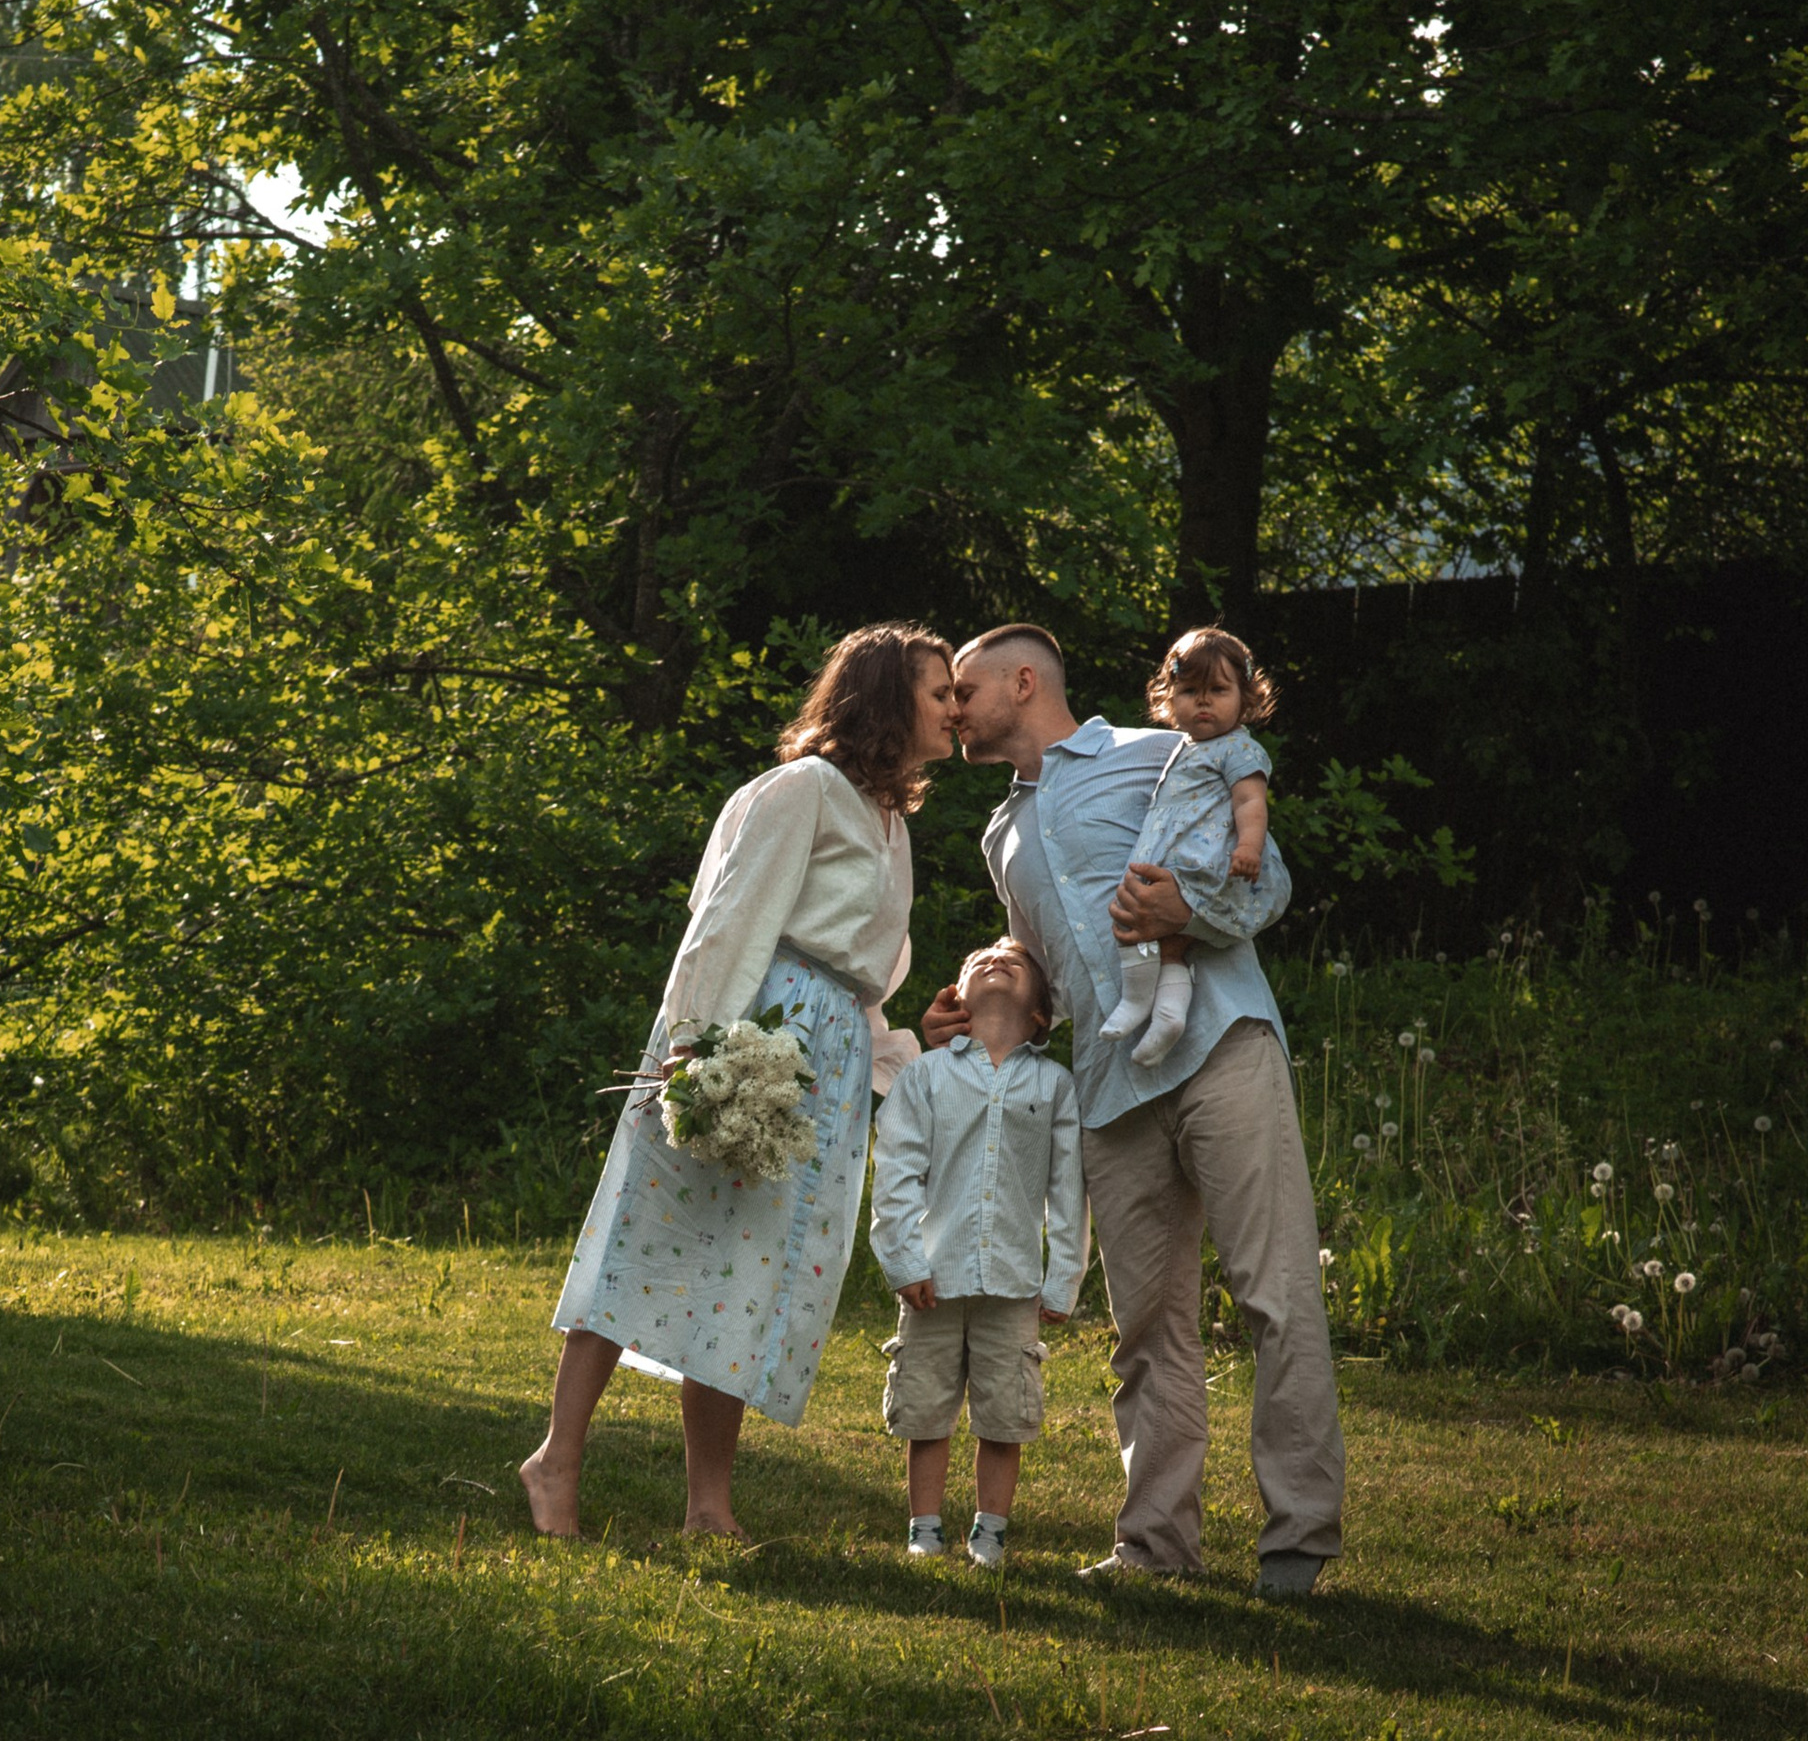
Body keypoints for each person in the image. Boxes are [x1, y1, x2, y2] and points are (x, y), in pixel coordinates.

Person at [924, 622, 1343, 1599]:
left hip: (1218, 1045)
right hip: (1111, 1087)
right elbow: (1050, 972)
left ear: (1021, 682)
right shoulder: (1001, 834)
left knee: (1272, 1292)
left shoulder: (1157, 751)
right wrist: (980, 1003)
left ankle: (1298, 1538)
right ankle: (1155, 1545)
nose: (949, 711)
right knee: (1145, 1329)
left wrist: (1185, 916)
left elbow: (1266, 876)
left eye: (962, 692)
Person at [521, 624, 957, 1540]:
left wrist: (905, 1045)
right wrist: (691, 1053)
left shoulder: (891, 821)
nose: (955, 708)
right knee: (649, 1237)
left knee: (747, 1272)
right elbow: (727, 921)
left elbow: (862, 977)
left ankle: (709, 1505)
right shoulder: (805, 791)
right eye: (938, 691)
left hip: (826, 1051)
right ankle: (556, 1458)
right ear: (884, 699)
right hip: (750, 1033)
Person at [869, 937, 1082, 1567]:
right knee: (926, 1408)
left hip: (1014, 1283)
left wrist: (1062, 1279)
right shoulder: (925, 1076)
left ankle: (990, 1533)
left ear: (1040, 1014)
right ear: (956, 999)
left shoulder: (1055, 1085)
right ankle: (925, 1528)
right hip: (933, 1278)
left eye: (1014, 964)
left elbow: (1067, 1191)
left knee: (1005, 1413)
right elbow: (897, 1170)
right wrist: (903, 1260)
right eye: (980, 960)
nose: (995, 959)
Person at [1099, 627, 1284, 1069]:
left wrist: (1250, 848)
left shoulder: (1237, 748)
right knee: (1165, 944)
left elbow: (1250, 801)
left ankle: (1138, 1002)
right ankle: (1166, 1017)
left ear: (1246, 698)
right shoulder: (1183, 748)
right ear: (1169, 697)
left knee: (1146, 930)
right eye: (1189, 690)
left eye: (1218, 690)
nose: (1203, 702)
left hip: (1203, 864)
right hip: (1173, 863)